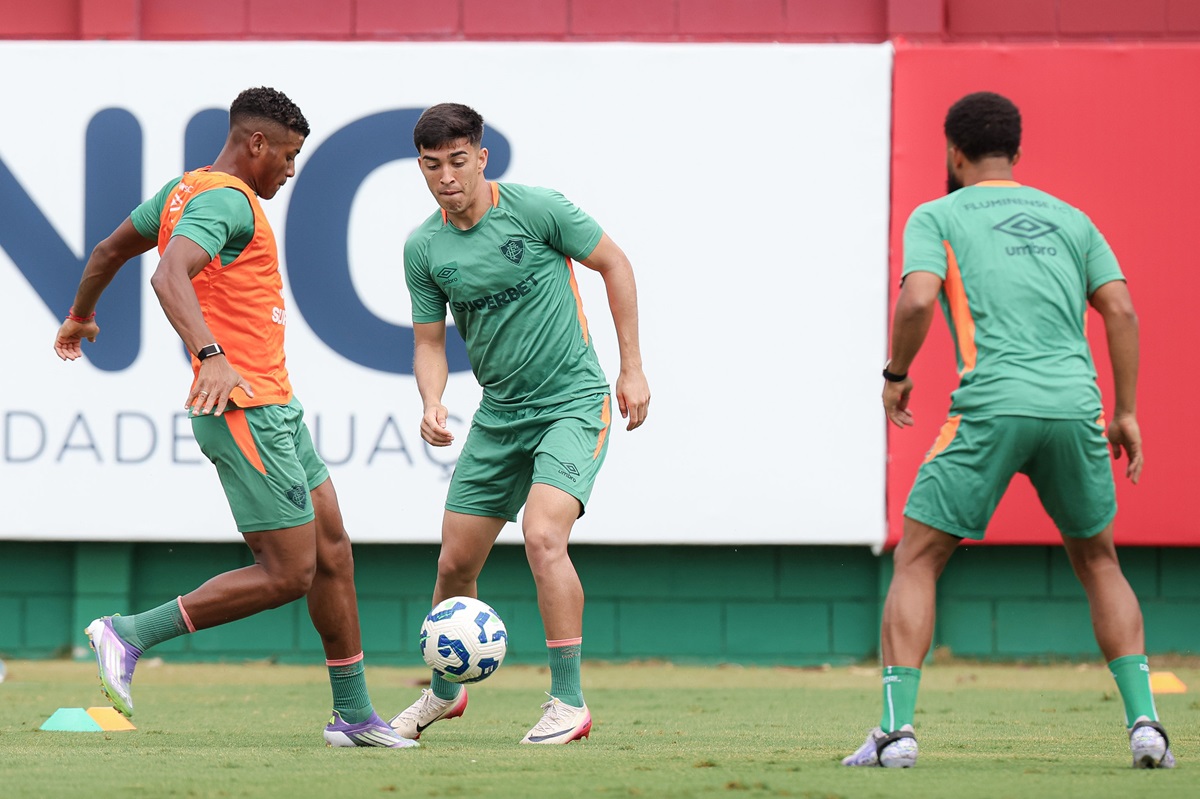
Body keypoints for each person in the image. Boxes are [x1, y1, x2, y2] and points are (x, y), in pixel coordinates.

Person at [52, 87, 416, 750]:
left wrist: (81, 314)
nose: (292, 168)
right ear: (257, 144)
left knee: (333, 551)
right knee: (287, 572)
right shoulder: (227, 199)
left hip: (276, 406)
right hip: (245, 407)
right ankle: (128, 633)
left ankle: (355, 715)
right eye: (289, 154)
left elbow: (108, 251)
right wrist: (210, 354)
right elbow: (169, 275)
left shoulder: (180, 193)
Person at [843, 91, 1174, 769]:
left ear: (953, 154)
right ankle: (1145, 723)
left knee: (918, 557)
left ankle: (895, 733)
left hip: (990, 405)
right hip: (1074, 409)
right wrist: (1127, 410)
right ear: (1016, 155)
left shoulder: (938, 213)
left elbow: (916, 296)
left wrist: (896, 372)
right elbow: (1121, 310)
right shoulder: (1073, 219)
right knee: (1100, 561)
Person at [390, 103, 650, 745]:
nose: (446, 177)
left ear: (481, 157)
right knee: (455, 563)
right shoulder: (424, 246)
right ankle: (444, 696)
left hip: (571, 401)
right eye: (431, 166)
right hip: (500, 416)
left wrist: (632, 368)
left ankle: (568, 702)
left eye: (457, 161)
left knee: (542, 536)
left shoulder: (538, 210)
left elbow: (615, 264)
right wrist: (430, 401)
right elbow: (429, 344)